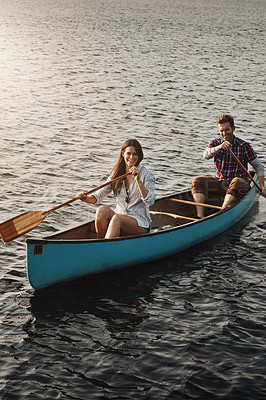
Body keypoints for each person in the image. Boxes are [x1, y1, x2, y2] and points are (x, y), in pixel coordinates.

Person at [77, 138, 156, 238]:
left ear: (139, 156)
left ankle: (105, 249)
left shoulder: (147, 174)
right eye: (128, 153)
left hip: (139, 223)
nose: (131, 157)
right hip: (119, 217)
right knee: (101, 211)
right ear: (123, 153)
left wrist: (138, 180)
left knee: (117, 218)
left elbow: (150, 201)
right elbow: (98, 196)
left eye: (135, 154)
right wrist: (85, 198)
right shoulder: (117, 173)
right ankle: (101, 243)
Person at [192, 114, 266, 218]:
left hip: (239, 185)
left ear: (233, 129)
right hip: (221, 183)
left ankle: (221, 213)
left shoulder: (244, 146)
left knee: (236, 181)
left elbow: (258, 167)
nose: (224, 133)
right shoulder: (216, 143)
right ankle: (200, 216)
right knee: (197, 181)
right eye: (221, 130)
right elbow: (206, 155)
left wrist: (262, 186)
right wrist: (219, 148)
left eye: (227, 130)